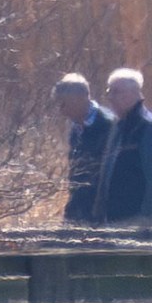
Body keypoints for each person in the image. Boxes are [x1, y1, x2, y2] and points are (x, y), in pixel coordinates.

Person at [94, 67, 152, 226]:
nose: (110, 97)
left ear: (133, 94)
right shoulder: (119, 126)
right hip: (116, 219)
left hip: (141, 221)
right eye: (109, 92)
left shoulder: (149, 128)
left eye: (116, 92)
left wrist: (144, 217)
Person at [52, 73, 115, 225]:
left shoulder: (109, 125)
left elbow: (113, 174)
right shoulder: (76, 128)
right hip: (81, 206)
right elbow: (77, 174)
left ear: (80, 99)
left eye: (63, 104)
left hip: (107, 210)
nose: (61, 111)